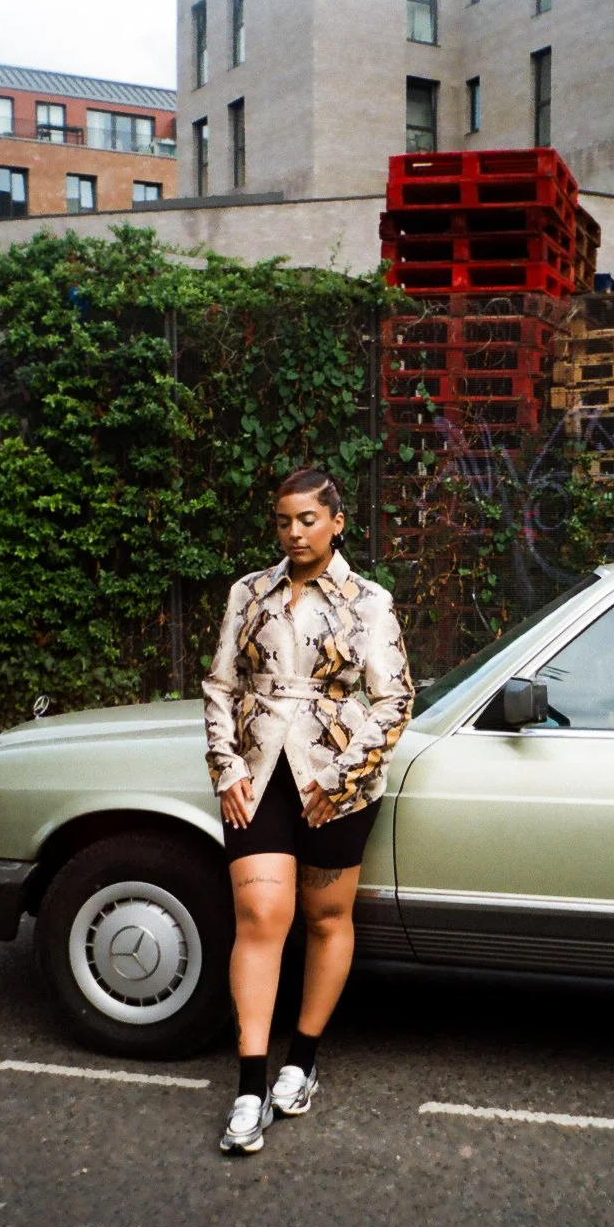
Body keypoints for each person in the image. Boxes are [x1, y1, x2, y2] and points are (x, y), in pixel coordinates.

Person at [202, 466, 414, 1154]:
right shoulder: (249, 593)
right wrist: (226, 764)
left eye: (307, 520)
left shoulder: (369, 601)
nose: (294, 532)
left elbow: (394, 700)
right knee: (261, 916)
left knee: (326, 918)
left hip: (334, 783)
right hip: (259, 774)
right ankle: (249, 1084)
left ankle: (304, 1059)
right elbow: (219, 683)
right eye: (284, 521)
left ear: (336, 521)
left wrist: (347, 775)